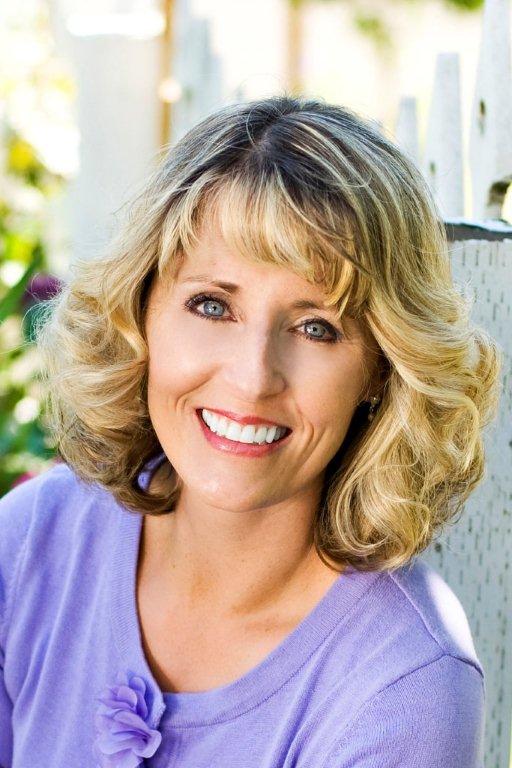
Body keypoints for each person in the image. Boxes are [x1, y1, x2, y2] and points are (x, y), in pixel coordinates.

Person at [0, 95, 501, 768]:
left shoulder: (402, 686)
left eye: (317, 327)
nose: (252, 378)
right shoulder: (32, 543)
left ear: (382, 368)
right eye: (212, 306)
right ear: (141, 311)